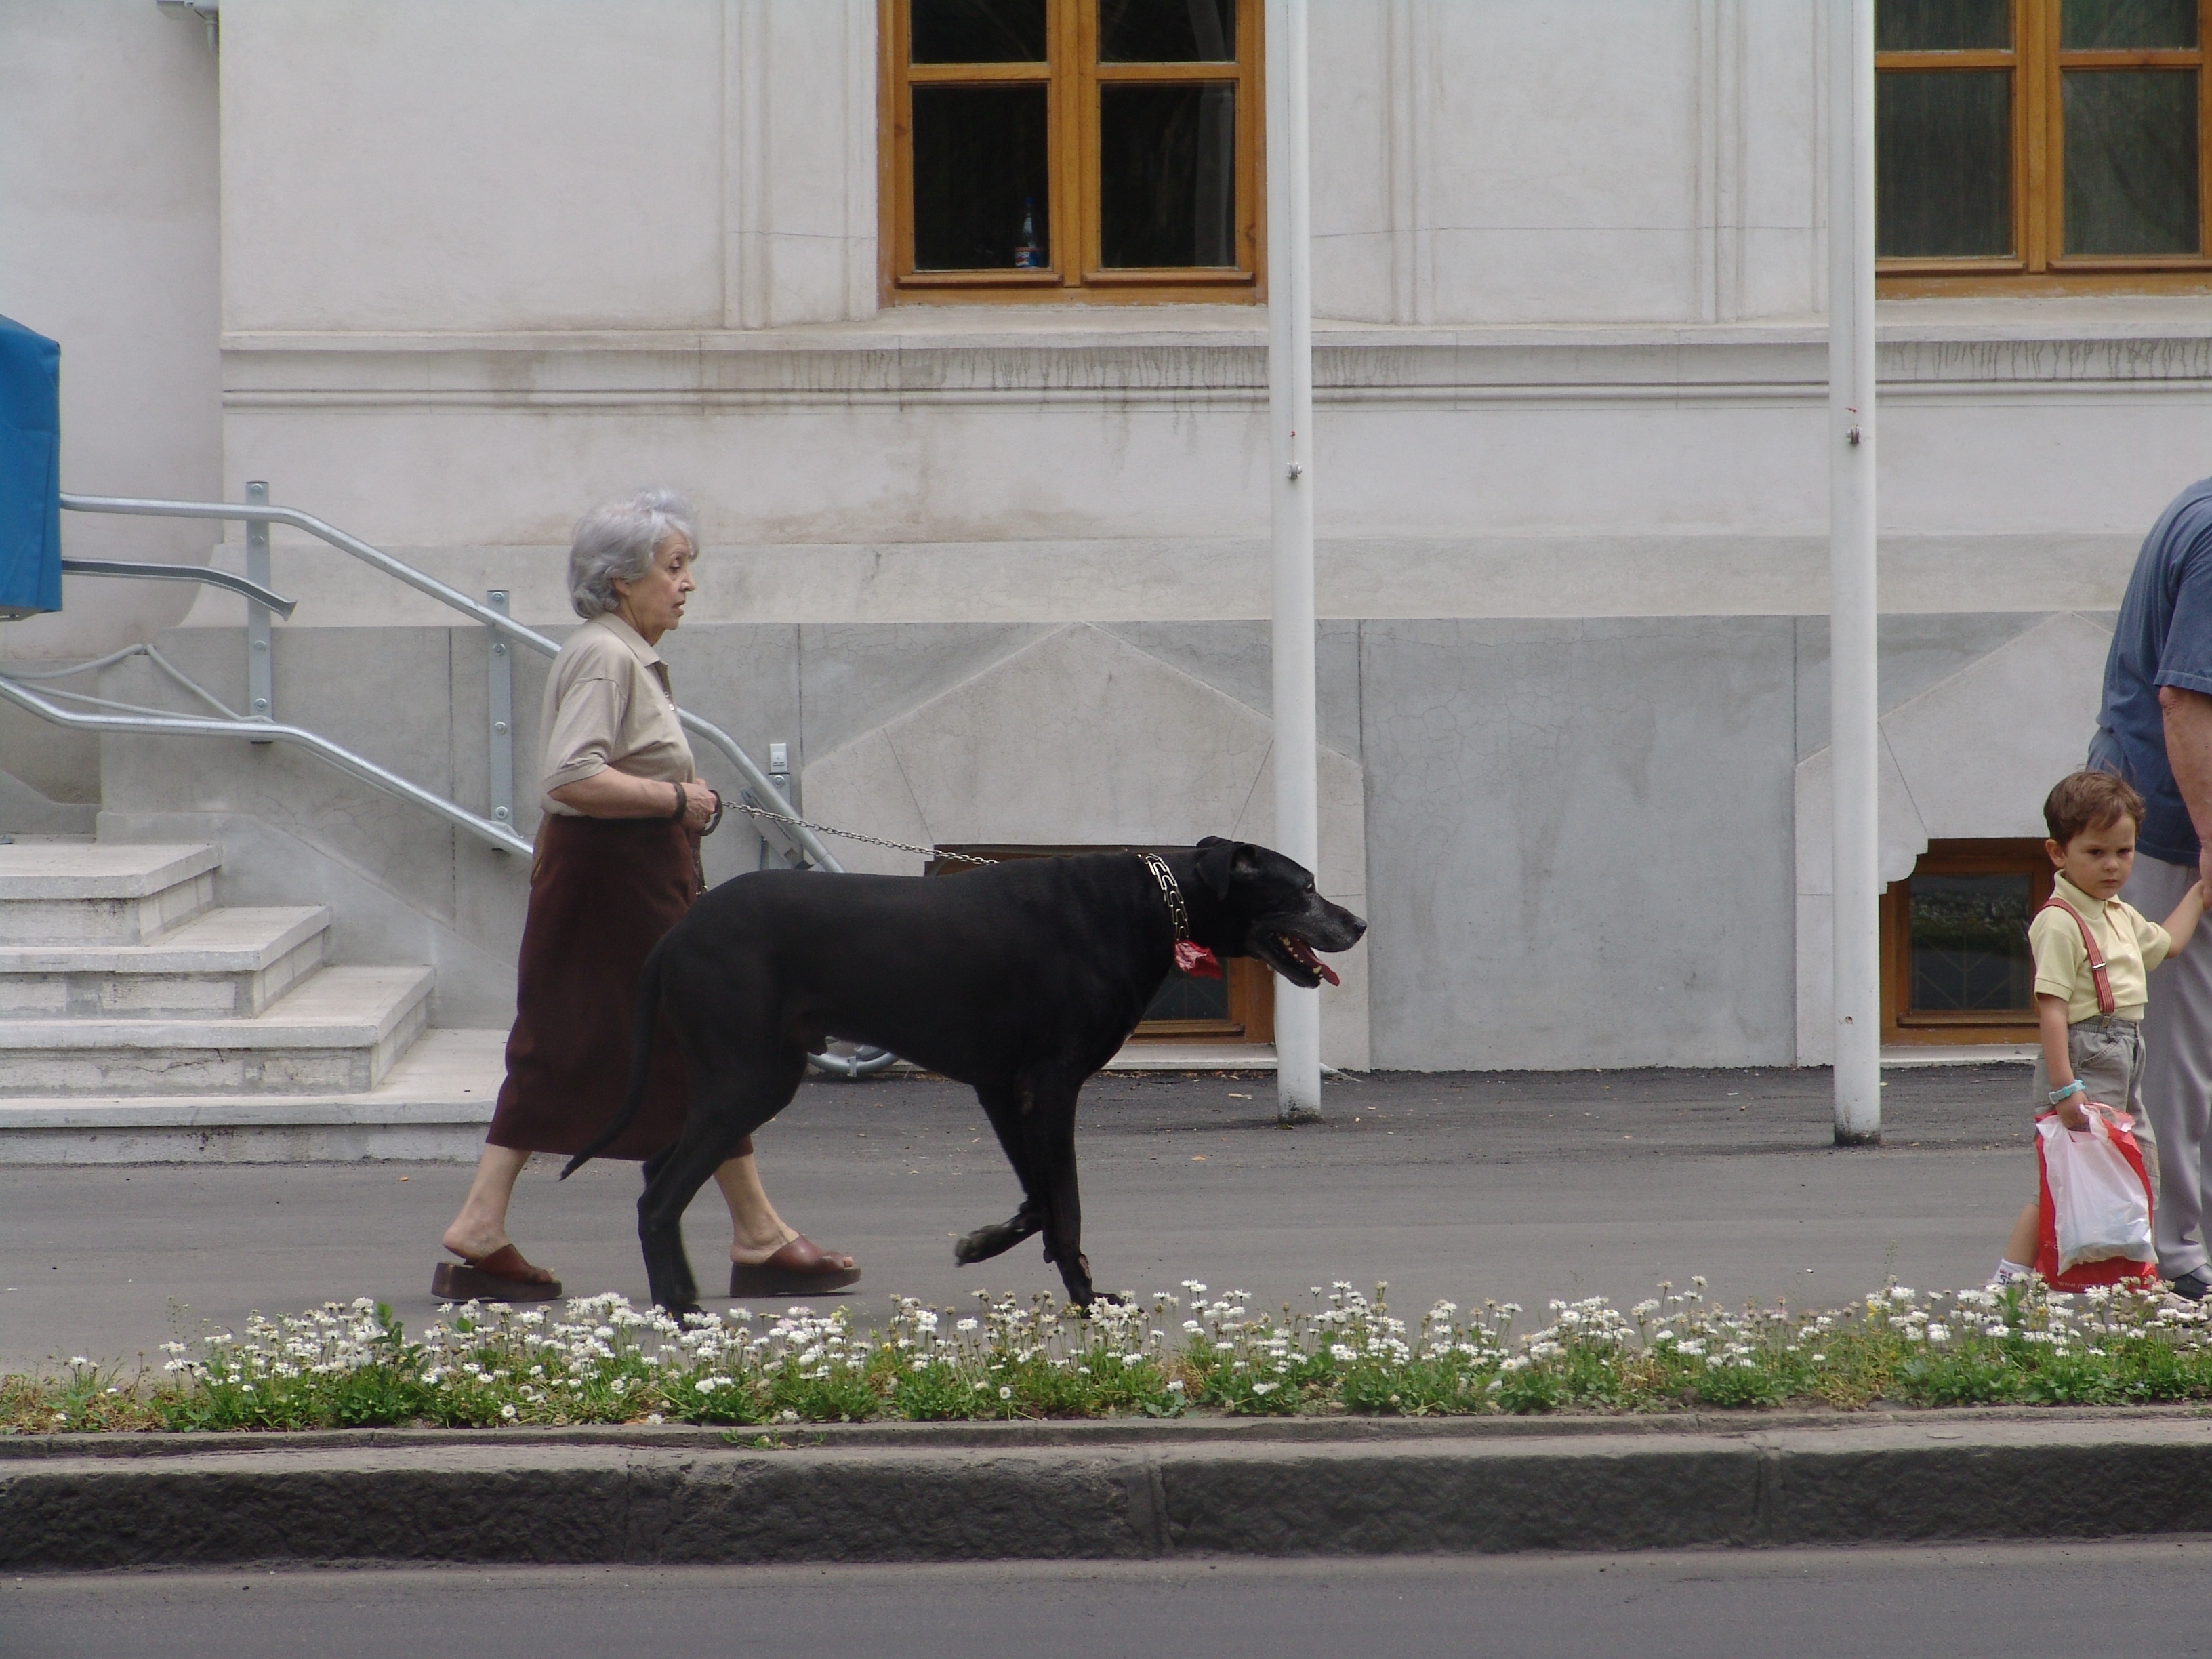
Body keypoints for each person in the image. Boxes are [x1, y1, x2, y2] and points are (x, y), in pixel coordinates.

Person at [437, 488, 858, 1303]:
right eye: (674, 566)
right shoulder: (606, 655)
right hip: (612, 883)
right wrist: (676, 799)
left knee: (625, 1042)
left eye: (686, 565)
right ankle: (757, 1235)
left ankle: (486, 1225)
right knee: (683, 1039)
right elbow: (569, 777)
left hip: (622, 876)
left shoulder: (619, 652)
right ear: (621, 579)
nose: (688, 582)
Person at [1998, 772, 2205, 1284]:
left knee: (2135, 1173)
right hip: (2085, 1054)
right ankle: (2007, 1285)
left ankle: (2135, 1284)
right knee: (2066, 1182)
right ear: (2058, 853)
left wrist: (2201, 892)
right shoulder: (2061, 920)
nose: (2113, 865)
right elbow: (2051, 1009)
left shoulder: (2117, 913)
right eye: (2096, 852)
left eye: (2124, 851)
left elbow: (2167, 945)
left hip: (2126, 1052)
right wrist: (2065, 1087)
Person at [2089, 476, 2212, 1300]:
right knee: (2176, 1058)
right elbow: (2185, 699)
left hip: (2158, 817)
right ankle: (2178, 1260)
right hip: (2171, 834)